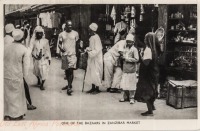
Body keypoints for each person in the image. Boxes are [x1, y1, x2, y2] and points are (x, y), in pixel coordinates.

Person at [134, 32, 162, 116]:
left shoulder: (148, 49)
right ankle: (152, 106)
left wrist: (141, 56)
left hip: (147, 74)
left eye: (145, 38)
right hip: (154, 72)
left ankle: (150, 111)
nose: (144, 39)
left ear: (149, 40)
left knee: (147, 91)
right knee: (153, 89)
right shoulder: (155, 49)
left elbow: (146, 63)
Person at [4, 29, 29, 120]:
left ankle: (7, 114)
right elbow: (26, 66)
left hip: (6, 74)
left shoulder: (5, 47)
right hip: (16, 75)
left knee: (7, 95)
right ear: (22, 38)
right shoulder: (24, 49)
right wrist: (24, 76)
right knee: (17, 95)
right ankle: (16, 115)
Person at [58, 20, 79, 95]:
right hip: (65, 55)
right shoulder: (61, 34)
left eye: (71, 25)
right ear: (65, 26)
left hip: (72, 55)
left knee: (71, 70)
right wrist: (61, 49)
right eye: (68, 25)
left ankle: (69, 87)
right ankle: (69, 84)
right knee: (67, 71)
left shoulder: (75, 33)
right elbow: (59, 44)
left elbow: (77, 44)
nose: (70, 27)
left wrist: (78, 55)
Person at [119, 34, 139, 104]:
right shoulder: (125, 49)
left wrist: (127, 59)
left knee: (131, 84)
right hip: (125, 69)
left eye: (130, 42)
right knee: (124, 84)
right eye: (127, 41)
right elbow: (123, 57)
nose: (128, 43)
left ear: (133, 42)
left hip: (131, 70)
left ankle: (132, 98)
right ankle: (125, 97)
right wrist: (122, 58)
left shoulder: (134, 49)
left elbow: (136, 59)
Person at [30, 26, 51, 90]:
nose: (39, 34)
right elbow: (31, 50)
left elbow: (48, 50)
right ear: (35, 34)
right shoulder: (34, 41)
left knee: (44, 70)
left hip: (44, 58)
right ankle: (39, 79)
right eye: (38, 33)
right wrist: (34, 56)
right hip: (36, 59)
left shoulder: (46, 41)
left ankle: (42, 84)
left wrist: (49, 58)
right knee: (37, 70)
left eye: (40, 33)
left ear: (42, 33)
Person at [84, 23, 103, 94]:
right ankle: (93, 87)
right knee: (91, 72)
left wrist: (89, 53)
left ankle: (97, 88)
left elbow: (97, 50)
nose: (88, 29)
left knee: (96, 72)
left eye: (89, 28)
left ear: (92, 29)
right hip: (92, 58)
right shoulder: (91, 37)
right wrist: (87, 49)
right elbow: (92, 48)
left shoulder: (96, 38)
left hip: (96, 58)